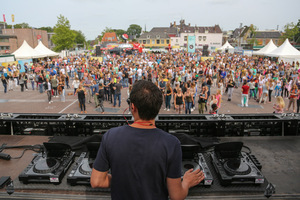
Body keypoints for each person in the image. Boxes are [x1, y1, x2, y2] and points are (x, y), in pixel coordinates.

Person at [91, 80, 204, 200]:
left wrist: (125, 178)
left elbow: (96, 181)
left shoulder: (110, 136)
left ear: (132, 107)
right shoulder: (171, 143)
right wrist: (186, 182)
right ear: (158, 107)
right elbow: (176, 196)